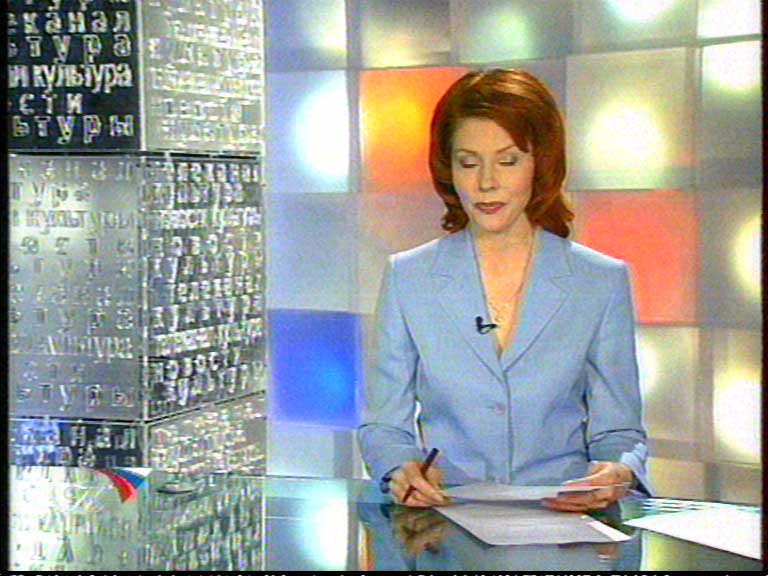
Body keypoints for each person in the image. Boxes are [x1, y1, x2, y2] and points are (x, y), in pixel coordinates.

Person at [358, 68, 652, 511]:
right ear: (449, 169)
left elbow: (620, 434)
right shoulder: (408, 277)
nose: (486, 183)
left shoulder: (599, 281)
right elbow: (384, 427)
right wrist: (401, 470)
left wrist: (617, 472)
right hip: (445, 520)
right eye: (468, 162)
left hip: (563, 521)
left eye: (508, 161)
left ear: (540, 164)